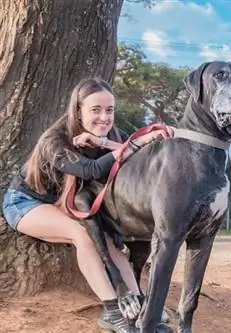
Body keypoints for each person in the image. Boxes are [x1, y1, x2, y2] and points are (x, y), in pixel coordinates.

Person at [2, 78, 173, 333]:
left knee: (107, 238)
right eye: (96, 110)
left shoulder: (111, 135)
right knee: (81, 234)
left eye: (110, 110)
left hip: (67, 203)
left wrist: (105, 143)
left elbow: (142, 158)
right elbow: (89, 169)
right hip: (26, 202)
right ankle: (113, 310)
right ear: (77, 111)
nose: (104, 117)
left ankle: (140, 305)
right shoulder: (55, 140)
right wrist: (132, 145)